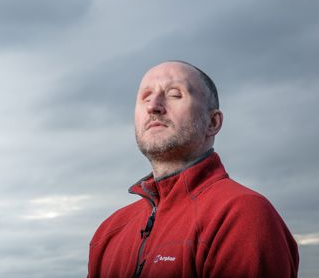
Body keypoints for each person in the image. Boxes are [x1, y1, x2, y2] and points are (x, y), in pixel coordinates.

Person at [87, 61, 299, 278]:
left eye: (174, 94)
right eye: (146, 97)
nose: (154, 106)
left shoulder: (241, 214)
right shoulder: (109, 232)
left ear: (213, 122)